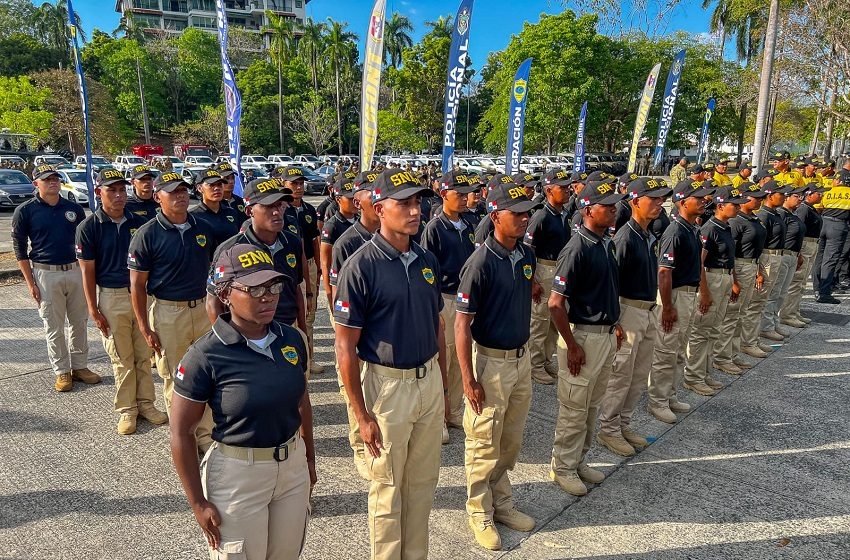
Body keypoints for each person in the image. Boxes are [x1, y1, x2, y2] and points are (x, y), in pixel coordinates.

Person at [171, 243, 315, 560]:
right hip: (238, 476)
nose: (268, 296)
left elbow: (301, 400)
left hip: (292, 471)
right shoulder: (205, 355)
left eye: (274, 286)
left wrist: (309, 461)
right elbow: (181, 432)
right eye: (255, 289)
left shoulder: (292, 339)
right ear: (225, 294)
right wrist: (198, 502)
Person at [334, 168, 448, 560]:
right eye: (404, 204)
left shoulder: (426, 258)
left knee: (422, 484)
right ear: (380, 209)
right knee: (387, 489)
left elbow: (436, 324)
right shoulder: (361, 266)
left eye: (418, 202)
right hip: (387, 388)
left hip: (427, 380)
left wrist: (442, 385)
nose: (415, 211)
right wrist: (361, 414)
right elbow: (345, 347)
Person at [455, 179, 541, 550]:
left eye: (526, 213)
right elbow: (461, 324)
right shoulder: (480, 263)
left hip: (520, 361)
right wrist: (468, 379)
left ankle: (501, 501)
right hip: (490, 363)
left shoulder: (526, 255)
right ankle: (479, 509)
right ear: (495, 216)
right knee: (483, 441)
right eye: (516, 213)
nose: (523, 219)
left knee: (510, 440)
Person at [547, 177, 626, 496]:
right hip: (582, 337)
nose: (614, 210)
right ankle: (563, 466)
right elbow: (555, 304)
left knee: (592, 405)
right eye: (607, 206)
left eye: (614, 205)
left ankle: (579, 460)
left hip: (604, 335)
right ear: (588, 210)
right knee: (574, 408)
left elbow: (606, 289)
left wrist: (615, 322)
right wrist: (572, 344)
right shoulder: (576, 248)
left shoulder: (606, 242)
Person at [128, 171, 217, 451]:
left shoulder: (202, 227)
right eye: (173, 191)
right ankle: (183, 438)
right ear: (158, 197)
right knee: (177, 377)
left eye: (183, 190)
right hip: (169, 313)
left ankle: (205, 434)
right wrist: (145, 327)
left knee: (207, 373)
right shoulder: (147, 234)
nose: (180, 196)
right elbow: (137, 286)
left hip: (202, 309)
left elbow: (213, 270)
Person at [76, 169, 167, 434]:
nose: (118, 195)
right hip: (111, 297)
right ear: (98, 192)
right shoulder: (89, 227)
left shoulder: (139, 222)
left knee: (144, 354)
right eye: (111, 190)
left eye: (121, 190)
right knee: (121, 357)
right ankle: (127, 409)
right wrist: (93, 309)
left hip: (140, 295)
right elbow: (87, 272)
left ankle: (147, 404)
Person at [597, 177, 671, 456]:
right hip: (627, 311)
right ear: (636, 201)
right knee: (621, 376)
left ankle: (623, 423)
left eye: (661, 198)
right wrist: (614, 321)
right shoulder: (625, 238)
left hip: (647, 310)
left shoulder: (648, 236)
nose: (659, 203)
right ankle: (609, 428)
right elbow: (611, 282)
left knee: (638, 375)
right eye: (653, 198)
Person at [12, 164, 98, 392]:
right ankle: (62, 371)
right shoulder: (25, 211)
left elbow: (84, 244)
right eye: (47, 179)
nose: (52, 182)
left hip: (75, 270)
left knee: (79, 321)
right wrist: (30, 283)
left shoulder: (74, 209)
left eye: (55, 178)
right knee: (54, 325)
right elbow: (19, 248)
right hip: (46, 273)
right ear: (36, 183)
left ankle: (80, 366)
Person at [646, 179, 715, 423]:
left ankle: (670, 394)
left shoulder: (692, 228)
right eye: (698, 198)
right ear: (683, 202)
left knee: (678, 351)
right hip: (674, 295)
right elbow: (664, 272)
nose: (704, 201)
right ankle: (658, 400)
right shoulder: (675, 231)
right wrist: (667, 307)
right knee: (665, 351)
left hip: (687, 294)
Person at [328, 170, 381, 480]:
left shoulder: (393, 236)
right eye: (372, 196)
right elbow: (339, 297)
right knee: (355, 391)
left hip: (382, 335)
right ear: (359, 202)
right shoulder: (346, 243)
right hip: (356, 331)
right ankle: (360, 447)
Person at [421, 170, 479, 442]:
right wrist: (433, 307)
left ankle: (454, 410)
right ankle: (438, 416)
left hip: (465, 300)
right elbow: (427, 270)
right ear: (444, 194)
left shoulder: (468, 225)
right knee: (441, 359)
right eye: (460, 194)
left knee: (460, 358)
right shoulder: (434, 228)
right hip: (443, 298)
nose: (466, 198)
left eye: (467, 194)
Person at [205, 178, 306, 334]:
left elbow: (296, 287)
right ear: (249, 211)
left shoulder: (292, 242)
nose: (277, 212)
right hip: (247, 332)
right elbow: (213, 301)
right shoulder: (230, 250)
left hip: (287, 329)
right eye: (269, 206)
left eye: (280, 205)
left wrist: (302, 330)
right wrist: (228, 340)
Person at [682, 186, 745, 396]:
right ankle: (693, 376)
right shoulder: (709, 229)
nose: (738, 208)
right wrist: (705, 292)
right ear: (720, 205)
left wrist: (734, 280)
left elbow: (730, 258)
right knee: (702, 331)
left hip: (724, 278)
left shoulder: (726, 227)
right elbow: (699, 262)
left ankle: (704, 372)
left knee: (714, 330)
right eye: (734, 205)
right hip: (711, 278)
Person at [524, 168, 573, 385]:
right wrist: (532, 281)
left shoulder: (564, 215)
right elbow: (528, 249)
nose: (567, 190)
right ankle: (534, 364)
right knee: (540, 320)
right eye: (562, 188)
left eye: (568, 187)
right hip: (544, 269)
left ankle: (545, 359)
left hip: (560, 269)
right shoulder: (541, 216)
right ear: (548, 190)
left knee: (555, 320)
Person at [713, 182, 768, 368]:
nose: (759, 200)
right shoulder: (736, 222)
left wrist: (758, 270)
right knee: (731, 315)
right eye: (755, 197)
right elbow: (731, 253)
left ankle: (732, 353)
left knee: (740, 315)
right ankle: (722, 357)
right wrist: (735, 280)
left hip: (751, 265)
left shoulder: (753, 218)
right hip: (739, 267)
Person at [277, 166, 322, 376]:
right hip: (286, 266)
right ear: (284, 184)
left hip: (308, 264)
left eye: (301, 183)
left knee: (308, 314)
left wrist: (318, 269)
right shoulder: (281, 210)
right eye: (294, 183)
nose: (299, 187)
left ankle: (309, 357)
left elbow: (314, 241)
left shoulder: (309, 210)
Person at [781, 183, 826, 324]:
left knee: (802, 282)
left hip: (811, 244)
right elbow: (797, 231)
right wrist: (799, 250)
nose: (821, 196)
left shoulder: (809, 208)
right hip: (804, 245)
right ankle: (787, 314)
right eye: (818, 193)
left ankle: (794, 311)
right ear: (809, 195)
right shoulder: (803, 209)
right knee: (796, 281)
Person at [756, 180, 794, 341]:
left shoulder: (776, 213)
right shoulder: (764, 215)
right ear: (770, 196)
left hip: (779, 255)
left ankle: (772, 322)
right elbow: (759, 243)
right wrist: (758, 269)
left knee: (778, 292)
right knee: (768, 294)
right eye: (781, 194)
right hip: (768, 256)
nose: (784, 196)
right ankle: (765, 327)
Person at [320, 173, 358, 312]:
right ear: (338, 199)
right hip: (341, 286)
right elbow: (326, 264)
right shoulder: (332, 226)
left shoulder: (360, 221)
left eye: (355, 197)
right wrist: (330, 296)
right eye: (350, 198)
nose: (354, 201)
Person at [814, 165, 850, 303]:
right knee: (830, 259)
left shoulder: (828, 192)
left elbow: (818, 208)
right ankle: (824, 293)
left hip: (823, 222)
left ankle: (816, 288)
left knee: (819, 257)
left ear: (839, 181)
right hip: (838, 226)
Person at [774, 185, 808, 328]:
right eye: (796, 196)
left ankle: (775, 324)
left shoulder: (792, 214)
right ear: (786, 197)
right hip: (784, 254)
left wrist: (799, 254)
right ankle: (768, 326)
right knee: (775, 293)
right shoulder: (781, 214)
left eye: (801, 196)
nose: (800, 199)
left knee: (783, 293)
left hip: (793, 255)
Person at [190, 169, 242, 245]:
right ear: (200, 188)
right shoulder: (193, 216)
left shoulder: (231, 212)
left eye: (219, 184)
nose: (217, 188)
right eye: (211, 185)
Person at [216, 162, 248, 228]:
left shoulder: (241, 201)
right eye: (226, 178)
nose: (231, 181)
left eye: (233, 178)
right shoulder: (214, 204)